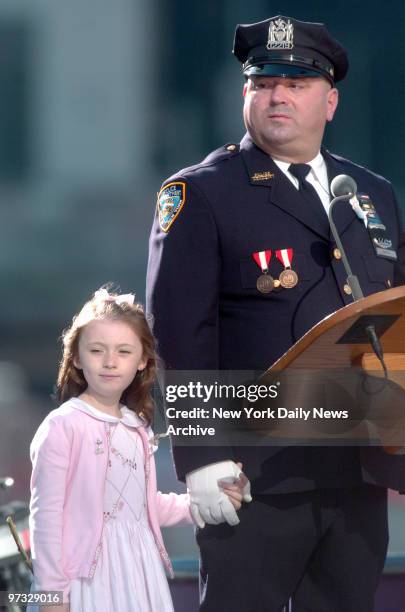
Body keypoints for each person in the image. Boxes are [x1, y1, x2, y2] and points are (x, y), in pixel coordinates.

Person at [146, 14, 405, 612]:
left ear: (331, 100)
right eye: (263, 83)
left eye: (297, 82)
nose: (278, 95)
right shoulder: (201, 194)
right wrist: (201, 456)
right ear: (245, 95)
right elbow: (182, 335)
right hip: (253, 473)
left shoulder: (371, 193)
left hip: (358, 467)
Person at [28, 287, 244, 612]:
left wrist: (203, 502)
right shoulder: (64, 426)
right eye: (97, 350)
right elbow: (46, 518)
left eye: (124, 351)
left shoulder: (137, 428)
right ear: (75, 356)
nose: (110, 362)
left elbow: (143, 505)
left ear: (143, 360)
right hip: (85, 579)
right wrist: (52, 596)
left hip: (139, 573)